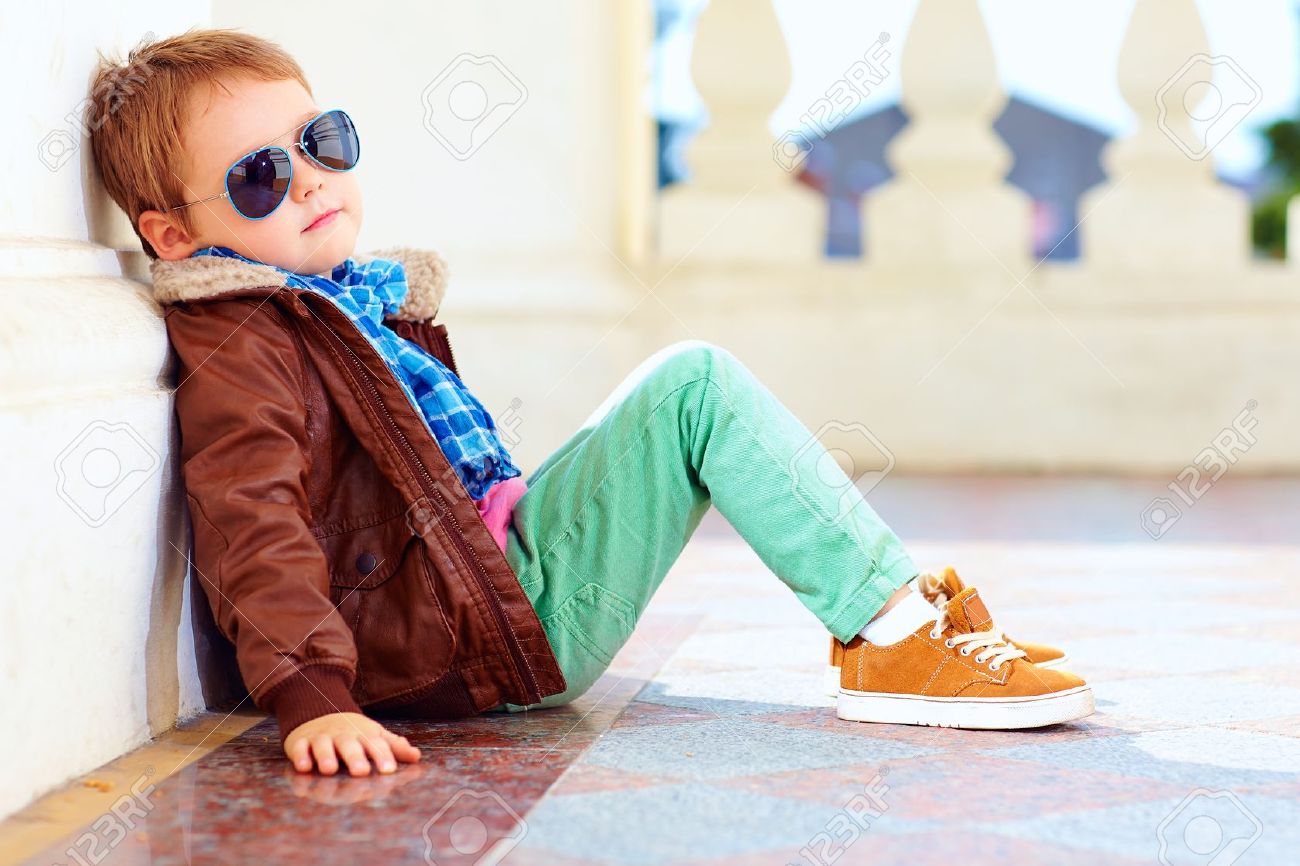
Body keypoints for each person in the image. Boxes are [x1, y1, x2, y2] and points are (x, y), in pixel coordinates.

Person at [88, 29, 1093, 777]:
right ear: (174, 235)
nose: (308, 179)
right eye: (261, 176)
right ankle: (891, 635)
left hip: (481, 576)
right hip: (456, 637)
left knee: (684, 385)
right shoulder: (247, 338)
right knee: (692, 385)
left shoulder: (333, 300)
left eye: (322, 140)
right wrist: (310, 692)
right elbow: (247, 517)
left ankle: (895, 622)